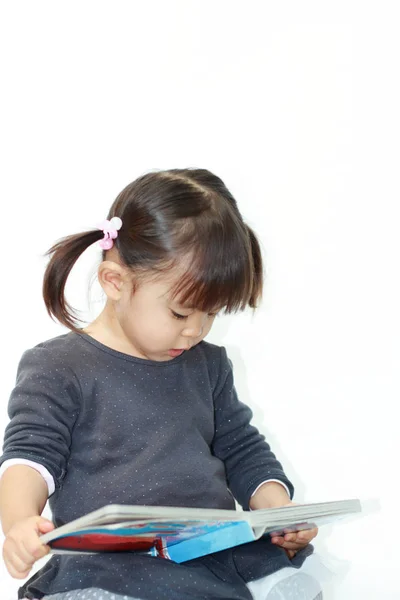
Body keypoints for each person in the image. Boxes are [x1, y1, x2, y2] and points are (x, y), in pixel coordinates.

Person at [0, 169, 322, 600]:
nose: (196, 332)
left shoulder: (207, 364)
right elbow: (28, 456)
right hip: (110, 565)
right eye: (181, 313)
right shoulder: (58, 366)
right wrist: (20, 521)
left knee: (281, 576)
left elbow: (242, 448)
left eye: (212, 314)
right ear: (115, 282)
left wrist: (277, 512)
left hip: (209, 554)